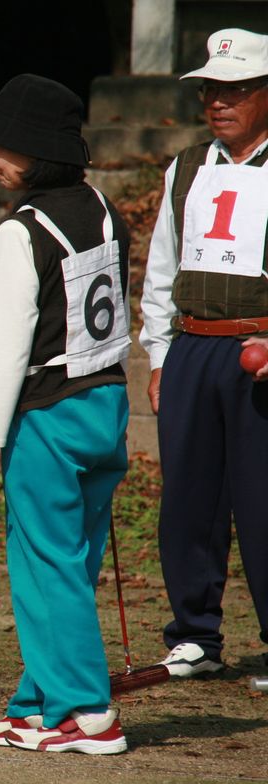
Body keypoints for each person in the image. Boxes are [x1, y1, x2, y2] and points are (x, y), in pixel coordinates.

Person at [0, 74, 133, 755]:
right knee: (70, 564)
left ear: (38, 152)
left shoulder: (20, 233)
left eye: (6, 144)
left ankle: (87, 715)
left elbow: (9, 350)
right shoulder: (102, 207)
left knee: (44, 565)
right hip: (106, 403)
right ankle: (37, 702)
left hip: (49, 415)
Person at [139, 28, 268, 679]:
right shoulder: (186, 167)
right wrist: (160, 352)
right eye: (211, 91)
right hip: (194, 347)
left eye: (236, 90)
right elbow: (162, 266)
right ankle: (195, 633)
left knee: (263, 499)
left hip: (260, 351)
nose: (219, 102)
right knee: (188, 497)